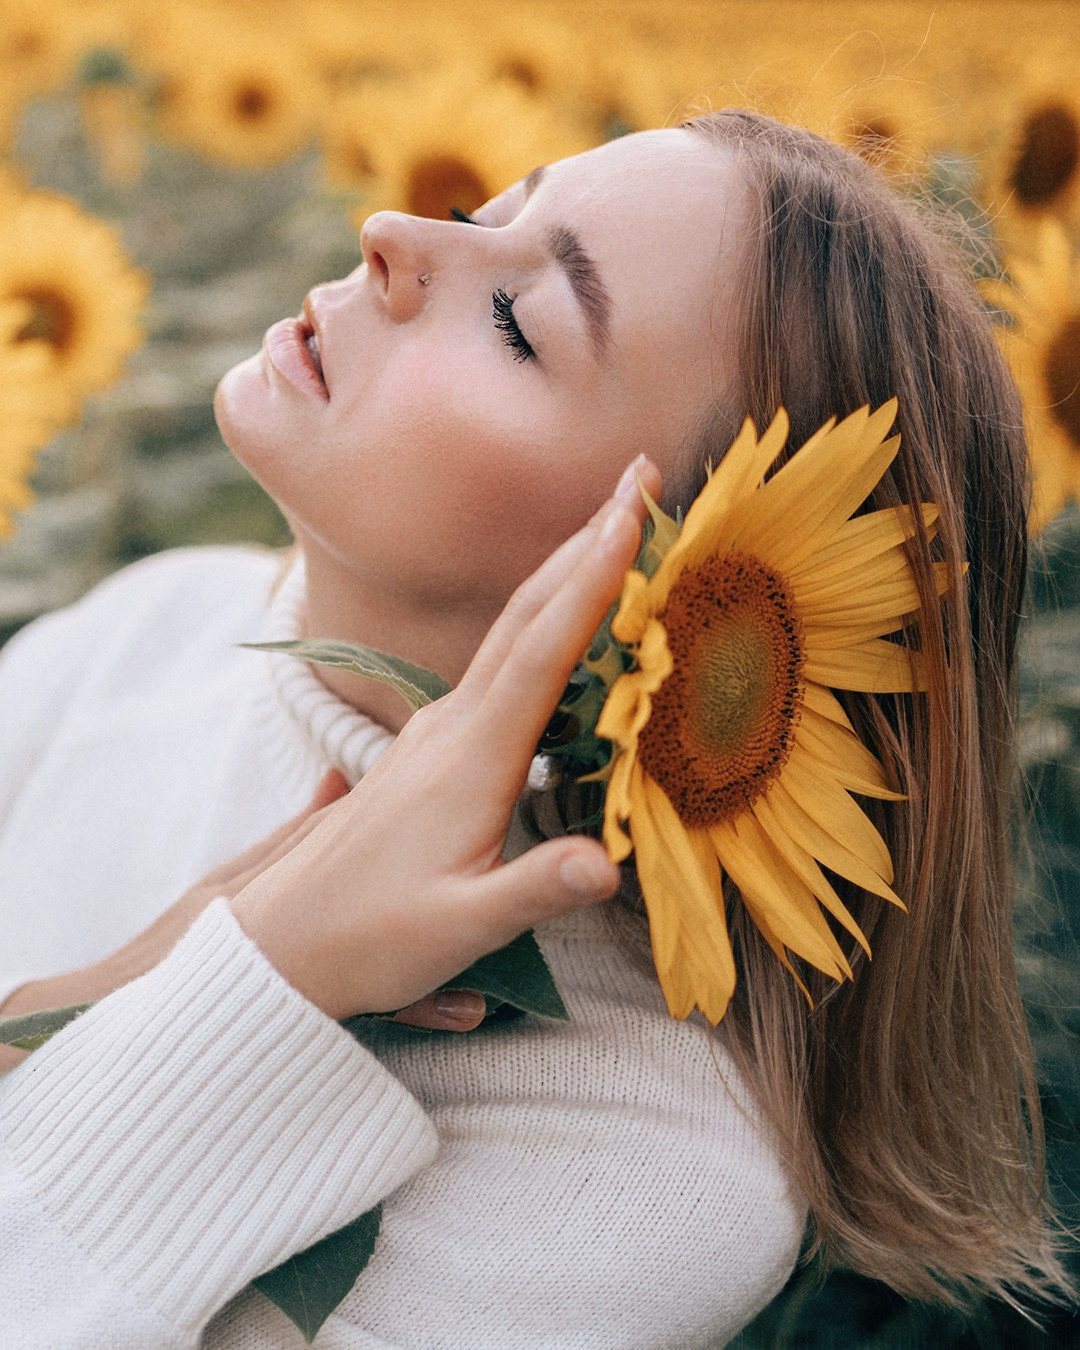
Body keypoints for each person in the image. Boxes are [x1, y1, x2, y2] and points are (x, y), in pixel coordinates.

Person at [0, 109, 1071, 1346]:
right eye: (483, 213)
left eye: (518, 323)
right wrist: (140, 977)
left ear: (711, 615)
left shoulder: (641, 1170)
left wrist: (269, 982)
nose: (392, 231)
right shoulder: (154, 622)